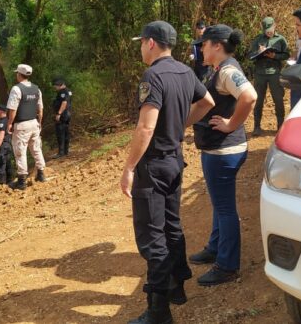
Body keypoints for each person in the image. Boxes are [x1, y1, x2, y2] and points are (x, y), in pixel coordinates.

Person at [121, 20, 214, 324]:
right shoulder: (186, 71)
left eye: (141, 42)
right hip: (175, 160)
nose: (140, 47)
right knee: (172, 226)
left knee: (152, 236)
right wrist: (179, 125)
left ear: (150, 43)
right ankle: (177, 287)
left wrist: (129, 167)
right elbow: (207, 102)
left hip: (153, 166)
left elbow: (146, 126)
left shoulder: (153, 75)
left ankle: (158, 311)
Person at [189, 24, 257, 286]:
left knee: (225, 208)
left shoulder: (227, 70)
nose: (201, 48)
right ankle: (215, 247)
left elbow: (249, 97)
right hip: (219, 149)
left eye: (204, 44)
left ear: (216, 44)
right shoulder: (221, 68)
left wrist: (231, 124)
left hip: (223, 150)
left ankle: (227, 265)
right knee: (220, 204)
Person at [5, 64, 46, 190]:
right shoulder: (36, 89)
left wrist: (10, 123)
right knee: (36, 149)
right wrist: (39, 122)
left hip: (22, 124)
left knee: (20, 151)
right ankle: (41, 174)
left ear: (19, 74)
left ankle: (22, 181)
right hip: (34, 123)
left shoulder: (16, 89)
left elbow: (13, 109)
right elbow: (40, 108)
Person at [247, 16, 289, 134]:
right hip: (260, 74)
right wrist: (258, 52)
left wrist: (275, 56)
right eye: (266, 30)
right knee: (258, 100)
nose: (268, 32)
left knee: (278, 100)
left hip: (275, 73)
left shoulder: (281, 39)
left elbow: (286, 55)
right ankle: (257, 127)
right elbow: (250, 56)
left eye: (270, 29)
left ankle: (280, 126)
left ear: (275, 25)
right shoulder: (258, 39)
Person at [0, 103, 15, 185]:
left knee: (1, 165)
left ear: (1, 111)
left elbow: (1, 135)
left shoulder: (2, 122)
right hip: (8, 145)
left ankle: (2, 184)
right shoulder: (8, 120)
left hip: (3, 146)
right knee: (8, 164)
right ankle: (10, 181)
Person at [51, 78, 72, 159]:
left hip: (62, 115)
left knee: (60, 133)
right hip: (68, 114)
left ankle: (61, 152)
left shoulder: (62, 92)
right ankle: (66, 151)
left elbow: (64, 102)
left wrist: (59, 113)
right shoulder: (69, 91)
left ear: (60, 85)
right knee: (66, 132)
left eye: (56, 86)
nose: (55, 88)